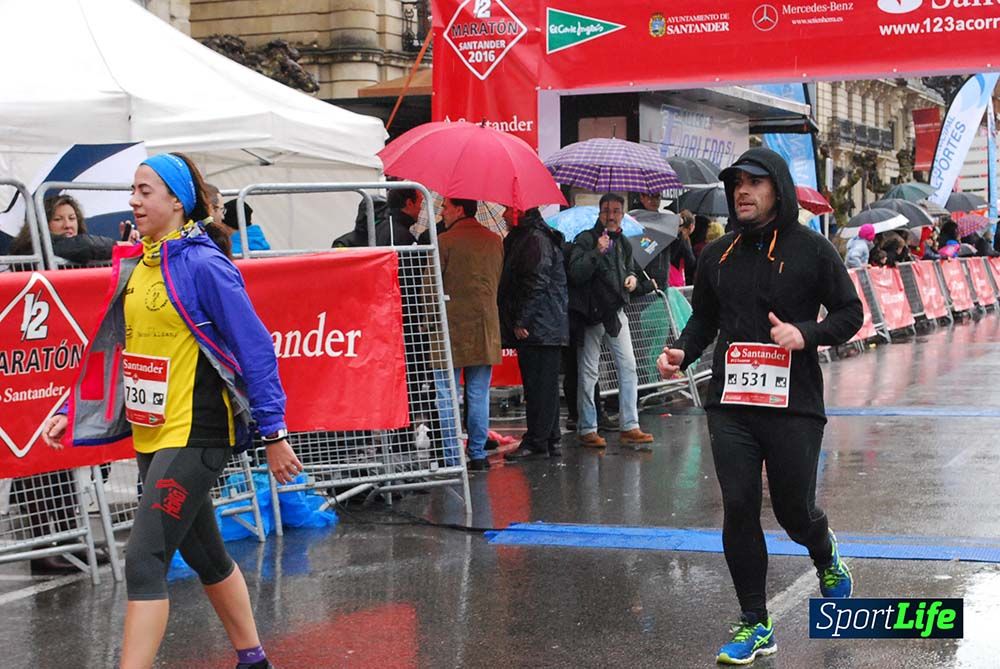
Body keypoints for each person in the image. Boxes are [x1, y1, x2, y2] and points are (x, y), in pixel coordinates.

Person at [42, 153, 300, 669]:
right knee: (204, 555)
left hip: (197, 432)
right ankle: (254, 659)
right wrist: (71, 408)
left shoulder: (205, 265)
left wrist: (274, 432)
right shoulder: (139, 263)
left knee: (143, 561)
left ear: (176, 202)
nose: (133, 201)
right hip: (152, 434)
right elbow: (117, 350)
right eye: (132, 191)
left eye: (144, 191)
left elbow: (255, 349)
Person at [657, 147, 861, 665]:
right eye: (736, 184)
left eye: (754, 182)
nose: (742, 191)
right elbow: (704, 318)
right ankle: (755, 621)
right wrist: (682, 349)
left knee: (794, 511)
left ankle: (824, 551)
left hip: (794, 404)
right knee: (740, 504)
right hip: (731, 403)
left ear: (778, 189)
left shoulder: (813, 250)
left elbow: (850, 312)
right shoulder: (717, 254)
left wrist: (805, 333)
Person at [568, 193, 655, 448]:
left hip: (616, 313)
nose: (611, 215)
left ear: (623, 214)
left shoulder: (625, 243)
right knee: (589, 373)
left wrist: (633, 280)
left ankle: (630, 425)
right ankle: (587, 428)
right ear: (599, 212)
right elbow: (576, 273)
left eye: (616, 211)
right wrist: (596, 252)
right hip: (591, 315)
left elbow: (630, 271)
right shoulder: (586, 239)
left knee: (628, 367)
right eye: (607, 210)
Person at [433, 197, 503, 471]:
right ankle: (477, 454)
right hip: (484, 327)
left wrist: (427, 324)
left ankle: (452, 457)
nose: (442, 212)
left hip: (449, 328)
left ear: (460, 209)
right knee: (478, 393)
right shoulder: (495, 241)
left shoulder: (444, 241)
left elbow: (432, 287)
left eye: (445, 207)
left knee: (447, 394)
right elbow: (496, 281)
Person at [498, 207, 569, 461]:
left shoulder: (534, 240)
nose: (504, 215)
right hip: (545, 325)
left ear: (518, 212)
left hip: (539, 326)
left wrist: (521, 320)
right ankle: (550, 438)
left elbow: (536, 282)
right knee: (543, 385)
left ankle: (538, 441)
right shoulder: (535, 237)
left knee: (538, 384)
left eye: (507, 209)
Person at [9, 194, 135, 263]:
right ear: (41, 223)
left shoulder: (82, 248)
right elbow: (83, 245)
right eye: (58, 219)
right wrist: (118, 245)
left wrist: (127, 246)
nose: (67, 225)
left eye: (72, 218)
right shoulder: (33, 246)